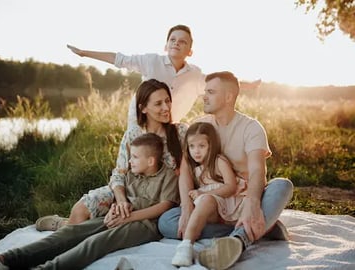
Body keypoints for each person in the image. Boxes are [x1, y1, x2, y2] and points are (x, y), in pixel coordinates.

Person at [0, 133, 180, 270]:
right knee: (73, 231)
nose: (130, 161)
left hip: (145, 225)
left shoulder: (168, 176)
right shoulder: (132, 174)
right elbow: (121, 198)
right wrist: (113, 211)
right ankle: (6, 259)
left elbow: (164, 206)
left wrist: (128, 218)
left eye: (135, 157)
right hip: (120, 217)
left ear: (151, 161)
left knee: (96, 242)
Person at [158, 71, 294, 270]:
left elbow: (257, 171)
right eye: (205, 91)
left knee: (283, 186)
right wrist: (187, 207)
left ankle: (239, 239)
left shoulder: (251, 127)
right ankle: (262, 226)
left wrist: (253, 203)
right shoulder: (199, 125)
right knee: (166, 222)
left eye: (211, 92)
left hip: (243, 198)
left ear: (229, 97)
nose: (204, 96)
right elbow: (185, 170)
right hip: (212, 201)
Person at [35, 78, 187, 231]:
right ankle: (64, 224)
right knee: (80, 210)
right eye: (158, 103)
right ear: (143, 108)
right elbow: (119, 174)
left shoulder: (180, 132)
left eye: (168, 101)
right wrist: (121, 201)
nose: (166, 107)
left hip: (161, 197)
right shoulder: (132, 134)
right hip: (129, 191)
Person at [67, 24, 261, 127]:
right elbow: (119, 59)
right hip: (141, 119)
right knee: (139, 159)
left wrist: (248, 85)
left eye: (183, 42)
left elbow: (219, 84)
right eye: (173, 39)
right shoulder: (151, 61)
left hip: (170, 125)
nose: (177, 43)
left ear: (190, 51)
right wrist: (85, 53)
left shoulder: (195, 75)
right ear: (166, 45)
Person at [171, 122, 247, 267]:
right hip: (215, 211)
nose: (196, 151)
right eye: (192, 146)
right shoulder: (196, 169)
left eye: (201, 146)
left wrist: (204, 193)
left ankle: (186, 246)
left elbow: (231, 187)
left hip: (231, 203)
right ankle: (188, 243)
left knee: (205, 201)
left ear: (211, 145)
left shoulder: (219, 161)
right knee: (174, 219)